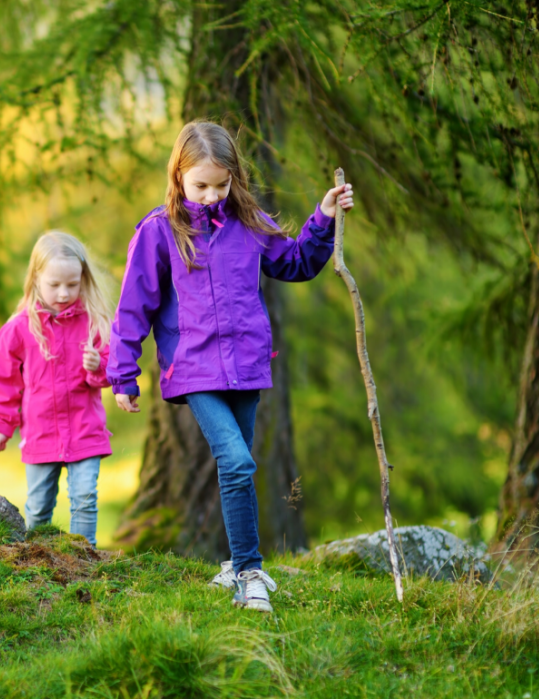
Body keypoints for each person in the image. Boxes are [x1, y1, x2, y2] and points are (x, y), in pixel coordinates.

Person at [107, 120, 355, 611]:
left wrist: (323, 218)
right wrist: (123, 373)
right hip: (195, 368)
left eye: (221, 185)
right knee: (238, 461)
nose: (210, 195)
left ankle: (234, 565)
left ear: (233, 178)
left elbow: (297, 263)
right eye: (200, 185)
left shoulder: (248, 223)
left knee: (236, 468)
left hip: (247, 365)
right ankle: (249, 573)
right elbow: (133, 306)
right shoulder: (159, 231)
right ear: (178, 176)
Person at [0, 231, 113, 547]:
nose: (63, 293)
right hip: (41, 433)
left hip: (85, 430)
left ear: (83, 279)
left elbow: (113, 371)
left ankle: (84, 558)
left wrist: (97, 365)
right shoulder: (19, 328)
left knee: (84, 497)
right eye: (54, 285)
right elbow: (4, 381)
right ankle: (35, 557)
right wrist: (3, 425)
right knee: (40, 505)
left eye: (72, 284)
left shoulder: (94, 322)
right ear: (36, 279)